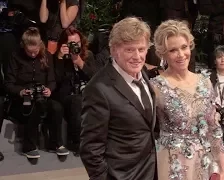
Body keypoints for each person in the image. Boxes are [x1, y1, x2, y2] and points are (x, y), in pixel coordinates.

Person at [80, 17, 158, 180]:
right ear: (114, 50)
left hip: (150, 172)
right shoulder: (98, 89)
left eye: (141, 49)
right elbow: (91, 150)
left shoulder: (141, 73)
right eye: (130, 50)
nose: (137, 56)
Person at [151, 20, 224, 180]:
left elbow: (213, 127)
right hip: (172, 163)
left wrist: (222, 164)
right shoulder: (156, 87)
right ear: (163, 53)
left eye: (184, 47)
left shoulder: (204, 82)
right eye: (173, 50)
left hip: (202, 161)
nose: (181, 54)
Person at [4, 27, 69, 159]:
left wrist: (49, 90)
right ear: (23, 46)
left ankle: (56, 144)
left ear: (40, 45)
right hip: (22, 98)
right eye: (30, 52)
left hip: (41, 96)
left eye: (35, 51)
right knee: (31, 108)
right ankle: (29, 147)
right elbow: (8, 84)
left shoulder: (47, 56)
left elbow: (52, 80)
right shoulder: (15, 56)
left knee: (56, 107)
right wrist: (21, 91)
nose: (33, 54)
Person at [52, 26, 97, 154]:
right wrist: (60, 58)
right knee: (78, 101)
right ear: (64, 44)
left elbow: (96, 77)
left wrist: (79, 61)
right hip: (67, 96)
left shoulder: (88, 55)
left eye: (77, 43)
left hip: (86, 93)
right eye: (71, 43)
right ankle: (77, 141)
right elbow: (57, 82)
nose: (74, 46)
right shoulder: (58, 57)